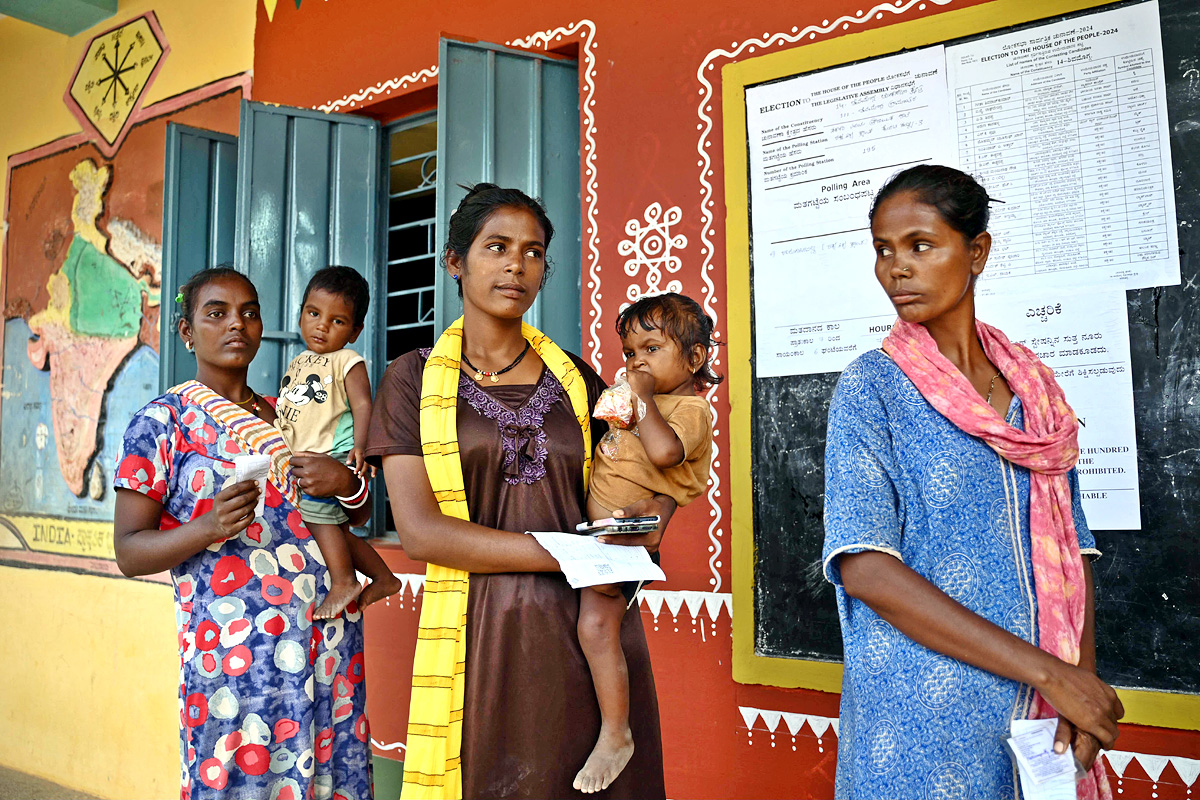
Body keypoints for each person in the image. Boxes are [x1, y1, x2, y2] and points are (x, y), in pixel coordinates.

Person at [822, 164, 1124, 800]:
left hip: (1039, 720)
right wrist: (1049, 672)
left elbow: (1073, 548)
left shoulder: (1035, 396)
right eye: (883, 250)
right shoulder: (873, 388)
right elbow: (865, 568)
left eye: (920, 245)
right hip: (919, 723)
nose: (896, 269)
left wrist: (1080, 686)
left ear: (977, 251)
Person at [366, 183, 669, 799]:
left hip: (591, 637)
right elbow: (422, 532)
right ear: (455, 260)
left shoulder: (579, 380)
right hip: (485, 642)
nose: (516, 265)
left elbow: (634, 478)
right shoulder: (411, 380)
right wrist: (570, 553)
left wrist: (645, 518)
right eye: (497, 247)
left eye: (533, 253)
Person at [113, 267, 375, 800]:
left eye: (249, 312)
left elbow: (355, 515)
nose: (238, 323)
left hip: (327, 647)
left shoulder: (293, 415)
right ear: (186, 332)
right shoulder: (163, 423)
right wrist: (207, 527)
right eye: (217, 313)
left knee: (330, 781)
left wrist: (345, 481)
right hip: (236, 668)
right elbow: (129, 552)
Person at [574, 292, 718, 794]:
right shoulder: (646, 400)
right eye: (630, 352)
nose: (637, 362)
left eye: (652, 349)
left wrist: (639, 401)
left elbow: (663, 451)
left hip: (629, 541)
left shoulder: (690, 409)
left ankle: (617, 733)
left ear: (695, 359)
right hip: (600, 535)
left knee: (595, 627)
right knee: (587, 625)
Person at [276, 265, 400, 619]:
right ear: (301, 313)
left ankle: (345, 580)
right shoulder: (298, 361)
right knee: (336, 531)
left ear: (355, 330)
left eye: (337, 321)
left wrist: (361, 448)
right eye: (313, 314)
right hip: (303, 458)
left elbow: (363, 404)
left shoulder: (347, 361)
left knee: (319, 520)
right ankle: (383, 576)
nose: (321, 325)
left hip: (333, 455)